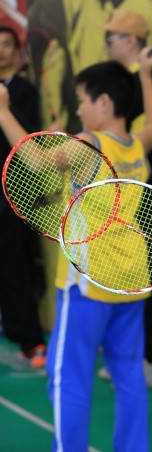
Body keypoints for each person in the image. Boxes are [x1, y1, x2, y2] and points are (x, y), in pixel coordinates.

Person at [0, 50, 152, 451]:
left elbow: (37, 163)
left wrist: (2, 112)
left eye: (82, 101)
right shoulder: (137, 145)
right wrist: (146, 75)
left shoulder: (88, 143)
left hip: (87, 284)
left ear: (104, 103)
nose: (78, 109)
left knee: (67, 377)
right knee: (127, 375)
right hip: (131, 280)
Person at [100, 7, 152, 389]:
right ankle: (125, 356)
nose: (104, 47)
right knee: (124, 278)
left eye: (109, 39)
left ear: (130, 41)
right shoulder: (124, 81)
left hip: (147, 196)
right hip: (120, 199)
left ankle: (149, 360)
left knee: (150, 282)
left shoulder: (145, 81)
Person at [0, 26, 47, 369]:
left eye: (6, 45)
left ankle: (32, 342)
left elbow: (29, 139)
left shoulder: (23, 91)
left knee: (14, 266)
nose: (0, 51)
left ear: (18, 52)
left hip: (14, 194)